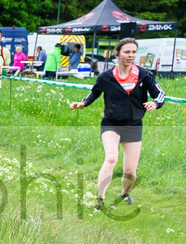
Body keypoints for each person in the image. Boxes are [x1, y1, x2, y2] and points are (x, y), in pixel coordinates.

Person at [69, 38, 165, 209]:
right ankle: (100, 199)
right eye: (127, 52)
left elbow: (160, 94)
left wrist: (155, 103)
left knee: (130, 171)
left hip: (134, 125)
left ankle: (125, 194)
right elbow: (94, 92)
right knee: (111, 157)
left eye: (134, 52)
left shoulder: (144, 75)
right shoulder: (106, 77)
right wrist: (83, 103)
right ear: (117, 54)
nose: (131, 55)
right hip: (111, 123)